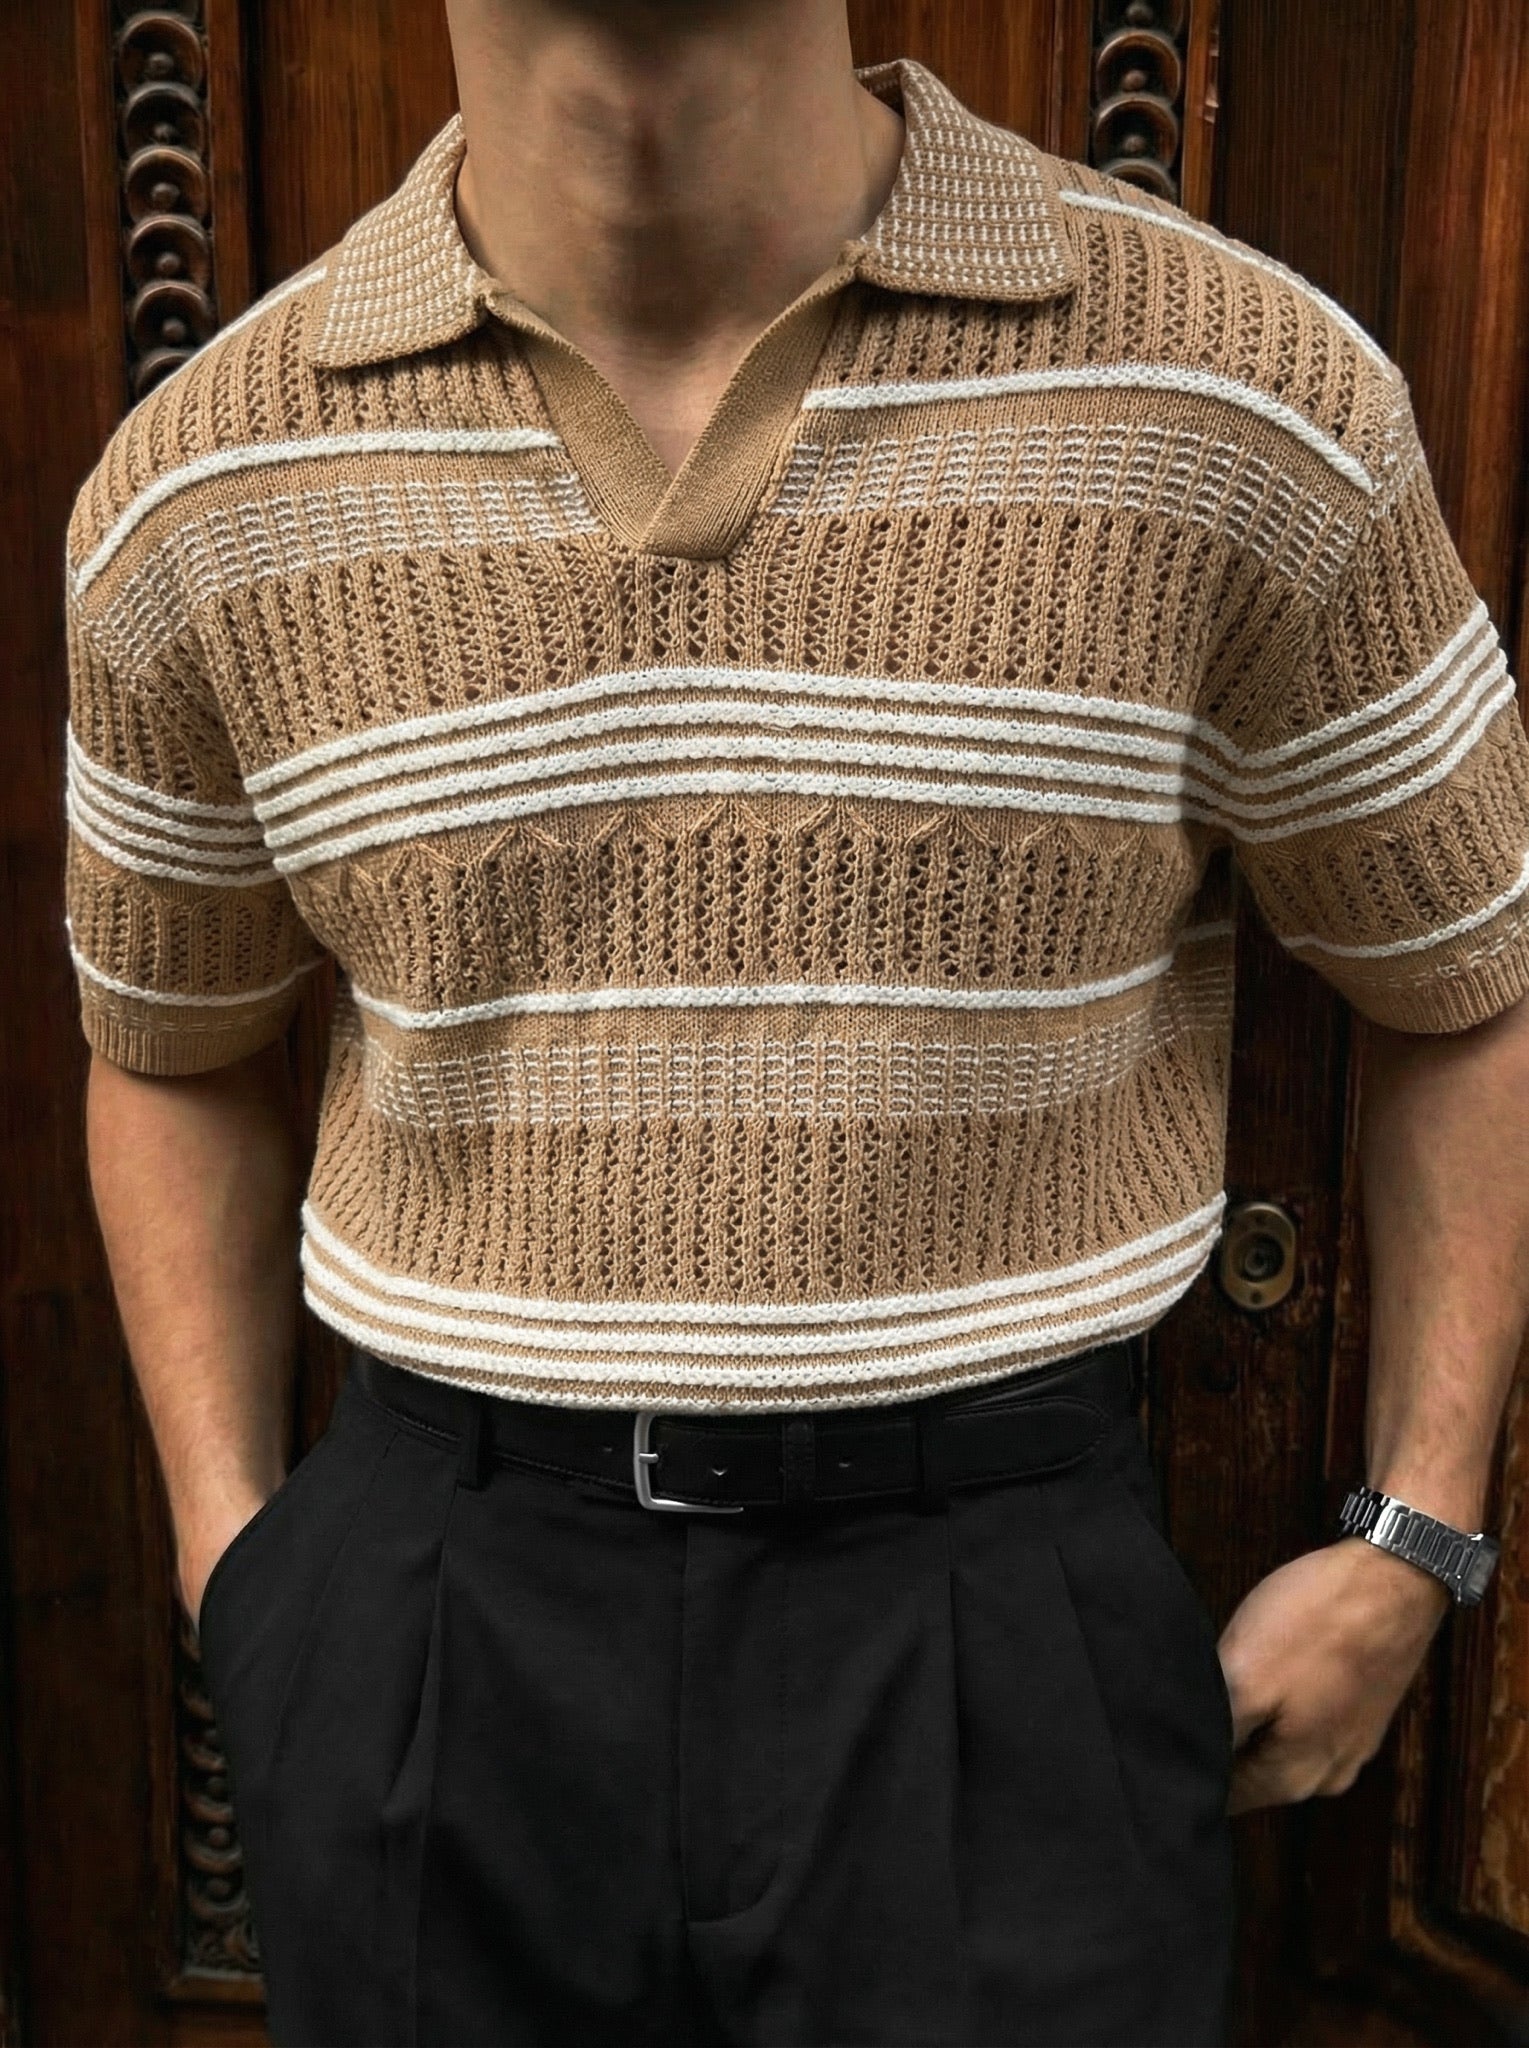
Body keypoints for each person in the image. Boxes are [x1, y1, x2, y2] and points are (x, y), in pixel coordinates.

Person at [65, 1, 1529, 2042]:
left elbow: (1469, 980)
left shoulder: (1239, 399)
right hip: (436, 1626)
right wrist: (245, 1569)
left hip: (997, 1623)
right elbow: (171, 1043)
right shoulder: (201, 485)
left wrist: (1416, 1529)